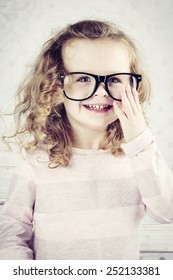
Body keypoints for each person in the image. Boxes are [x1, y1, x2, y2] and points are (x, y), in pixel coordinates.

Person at [0, 19, 173, 260]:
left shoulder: (139, 157)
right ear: (55, 87)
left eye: (114, 79)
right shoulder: (36, 160)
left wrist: (139, 139)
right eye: (83, 78)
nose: (101, 92)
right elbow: (13, 229)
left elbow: (167, 212)